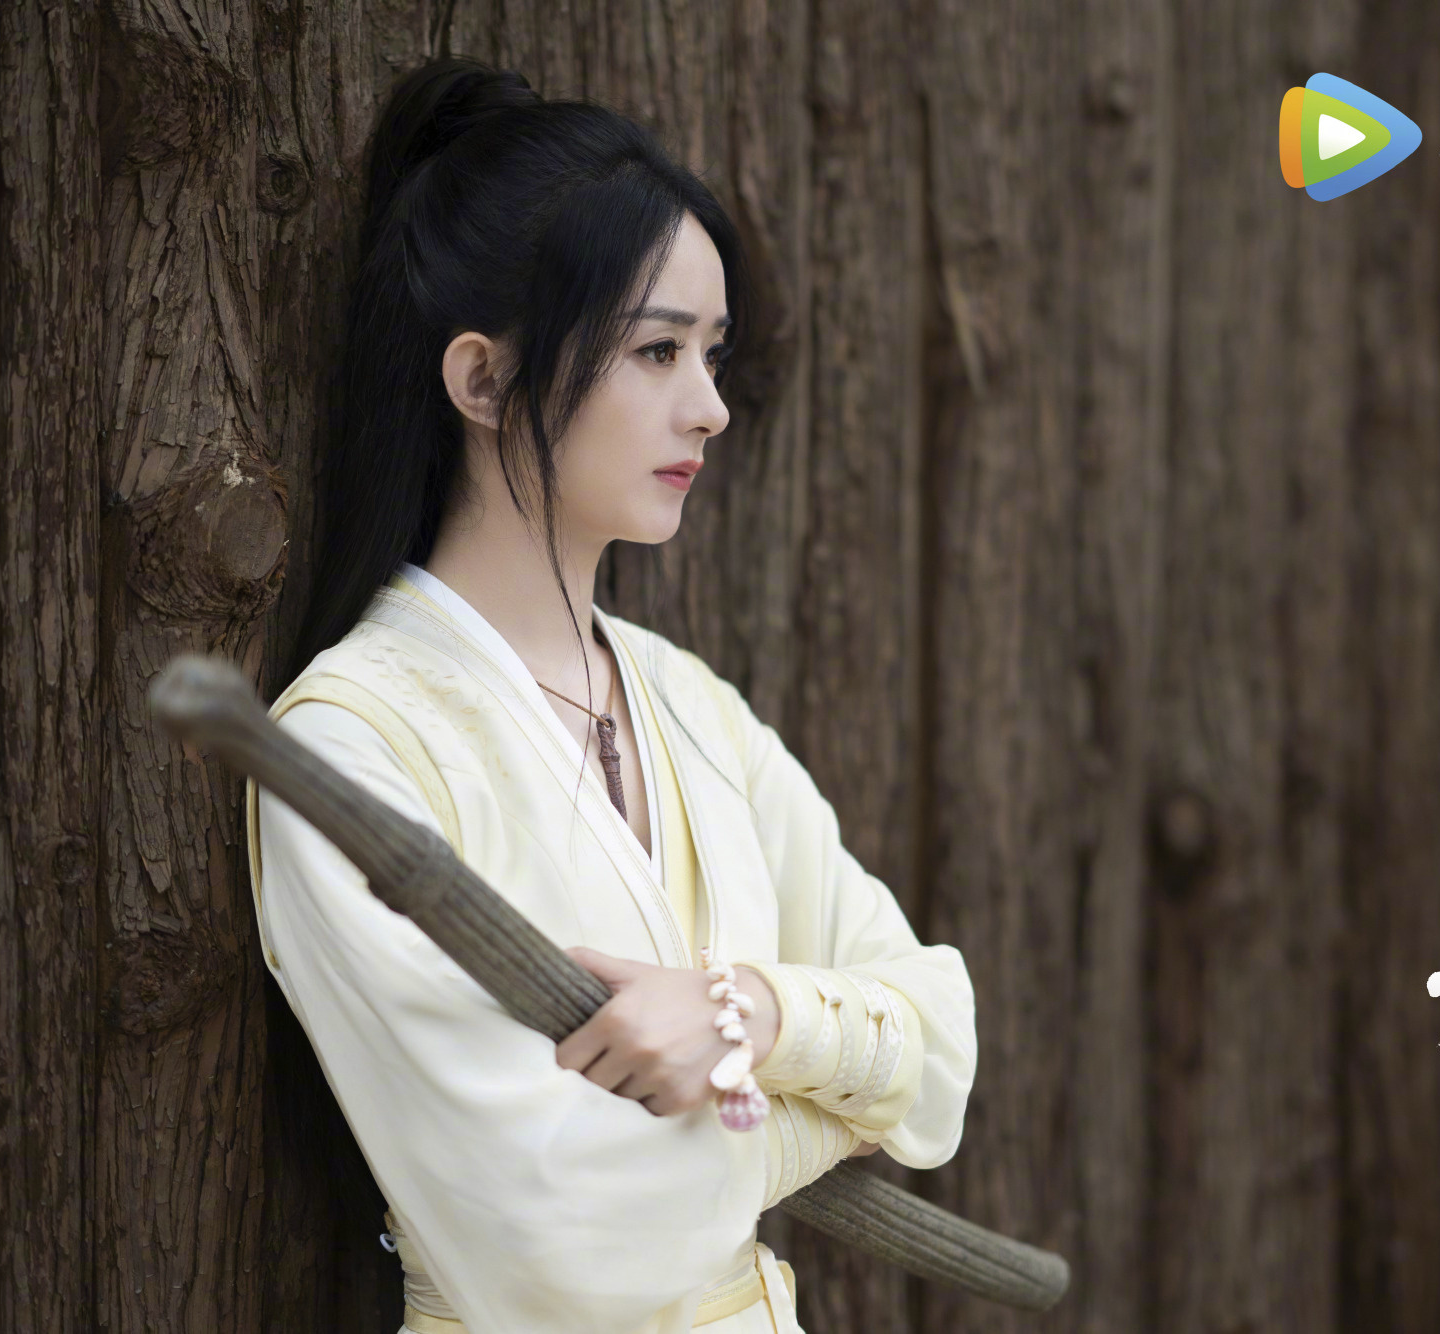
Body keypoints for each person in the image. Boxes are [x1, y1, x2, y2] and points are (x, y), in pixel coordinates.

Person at [245, 57, 977, 1334]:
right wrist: (818, 1097)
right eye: (656, 349)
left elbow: (942, 1045)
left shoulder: (691, 705)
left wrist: (746, 1016)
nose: (710, 408)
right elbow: (558, 1234)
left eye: (712, 354)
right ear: (482, 381)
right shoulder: (354, 747)